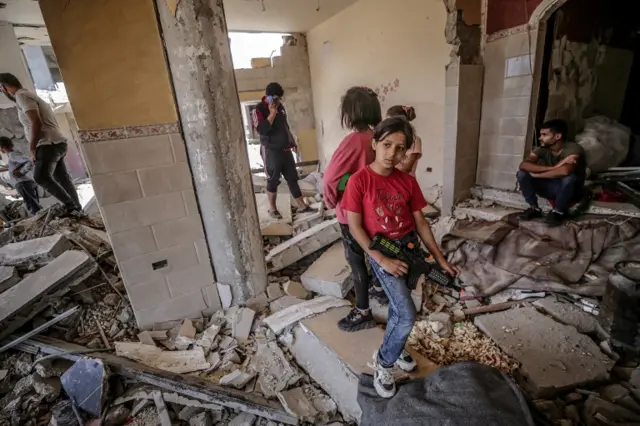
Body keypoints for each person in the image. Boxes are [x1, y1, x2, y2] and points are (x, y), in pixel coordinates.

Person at [342, 116, 458, 398]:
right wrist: (380, 260)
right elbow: (355, 227)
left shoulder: (407, 181)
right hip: (383, 251)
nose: (392, 153)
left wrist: (439, 259)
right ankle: (383, 362)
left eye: (400, 148)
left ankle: (396, 346)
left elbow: (420, 223)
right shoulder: (359, 181)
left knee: (398, 307)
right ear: (374, 144)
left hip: (409, 249)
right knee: (407, 314)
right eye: (387, 145)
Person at [323, 86, 386, 332]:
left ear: (349, 113)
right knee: (376, 251)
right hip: (377, 212)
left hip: (352, 213)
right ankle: (380, 288)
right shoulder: (380, 138)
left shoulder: (353, 141)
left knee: (356, 260)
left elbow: (330, 179)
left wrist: (330, 202)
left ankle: (362, 311)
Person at [0, 73, 83, 218]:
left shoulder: (22, 96)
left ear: (3, 86)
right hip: (57, 143)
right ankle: (77, 209)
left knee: (41, 177)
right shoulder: (28, 95)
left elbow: (35, 122)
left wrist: (32, 147)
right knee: (62, 178)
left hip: (47, 144)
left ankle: (70, 206)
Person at [252, 82, 313, 217]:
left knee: (292, 178)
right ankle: (273, 209)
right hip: (271, 150)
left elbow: (285, 126)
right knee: (273, 180)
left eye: (280, 99)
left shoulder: (281, 107)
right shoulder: (259, 109)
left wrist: (292, 142)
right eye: (276, 99)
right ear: (268, 97)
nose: (278, 101)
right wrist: (272, 113)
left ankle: (302, 205)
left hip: (285, 149)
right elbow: (261, 130)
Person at [517, 119, 586, 227]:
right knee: (522, 174)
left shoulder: (573, 148)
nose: (540, 138)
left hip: (569, 191)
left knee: (569, 178)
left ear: (557, 136)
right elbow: (524, 165)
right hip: (551, 187)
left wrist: (538, 175)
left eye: (544, 135)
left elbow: (565, 171)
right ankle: (534, 208)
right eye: (540, 134)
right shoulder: (543, 149)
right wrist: (554, 167)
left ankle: (558, 212)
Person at [0, 136, 41, 215]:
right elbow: (10, 167)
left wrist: (21, 172)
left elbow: (30, 160)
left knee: (33, 206)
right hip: (25, 183)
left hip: (23, 183)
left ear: (2, 146)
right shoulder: (12, 155)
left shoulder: (13, 155)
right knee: (34, 205)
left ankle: (42, 222)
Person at [386, 105, 422, 175]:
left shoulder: (415, 140)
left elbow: (406, 168)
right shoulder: (387, 138)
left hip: (404, 182)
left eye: (389, 122)